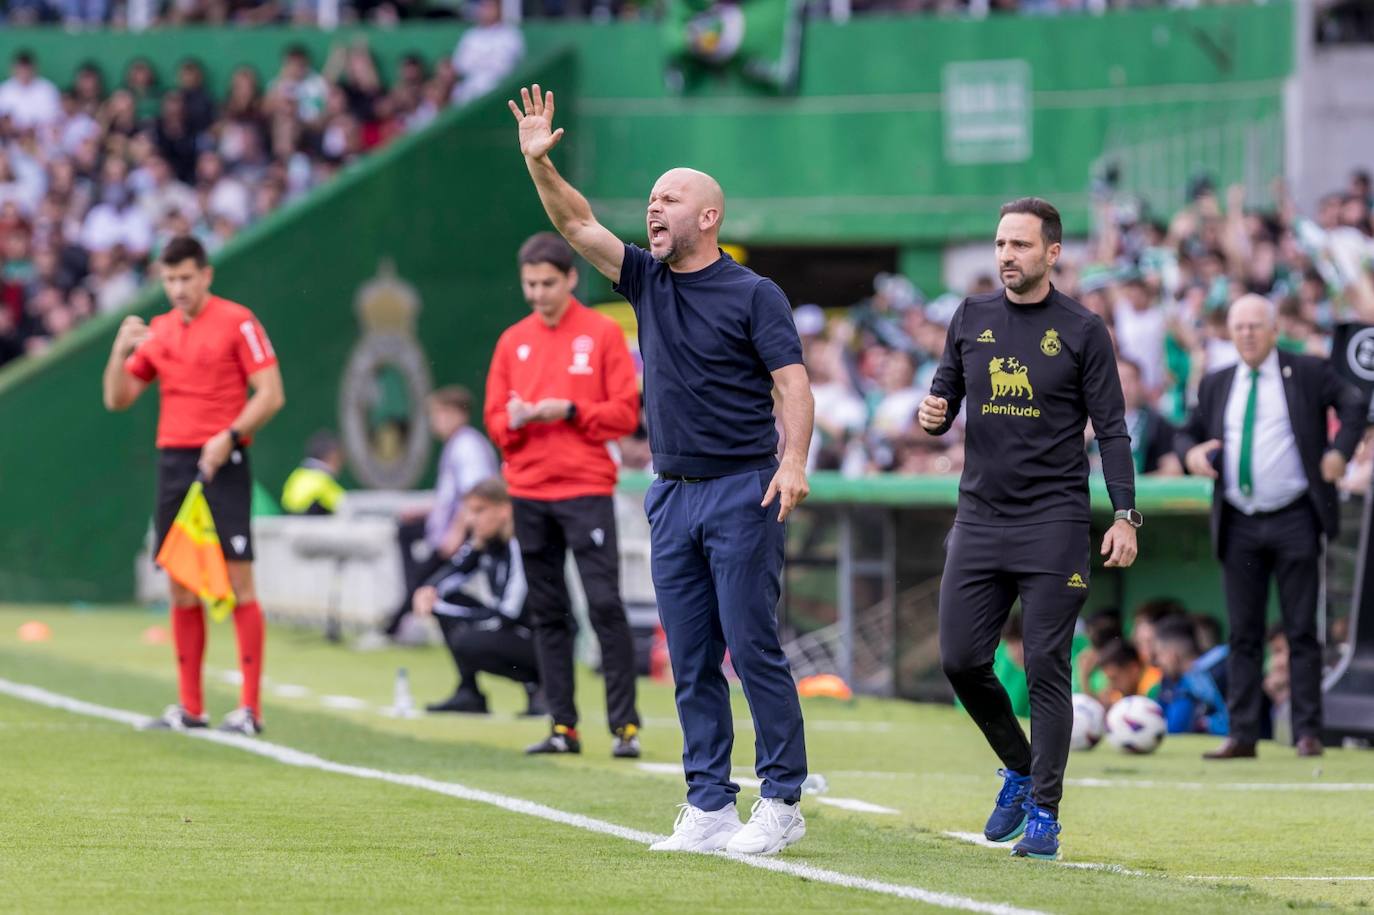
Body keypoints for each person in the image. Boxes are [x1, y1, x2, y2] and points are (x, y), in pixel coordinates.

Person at [509, 85, 814, 856]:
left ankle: (781, 798)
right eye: (650, 199)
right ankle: (708, 801)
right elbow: (576, 223)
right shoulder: (645, 280)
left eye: (670, 198)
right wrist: (540, 163)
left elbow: (793, 385)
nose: (654, 208)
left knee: (753, 648)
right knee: (688, 659)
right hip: (670, 492)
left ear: (707, 216)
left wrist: (795, 460)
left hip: (743, 486)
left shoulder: (755, 293)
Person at [918, 196, 1140, 861]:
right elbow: (942, 396)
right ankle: (1018, 766)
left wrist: (1125, 513)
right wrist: (932, 414)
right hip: (980, 517)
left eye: (1019, 244)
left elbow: (1114, 430)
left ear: (1053, 252)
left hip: (1055, 522)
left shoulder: (1082, 329)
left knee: (1046, 662)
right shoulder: (971, 316)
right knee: (959, 657)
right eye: (999, 244)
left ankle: (1045, 811)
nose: (1006, 255)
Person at [101, 235, 284, 736]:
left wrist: (230, 435)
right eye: (170, 279)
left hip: (224, 458)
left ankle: (249, 709)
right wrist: (119, 351)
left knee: (239, 580)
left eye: (186, 277)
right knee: (181, 585)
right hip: (174, 463)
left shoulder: (238, 320)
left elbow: (271, 394)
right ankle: (191, 707)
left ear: (206, 275)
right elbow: (118, 399)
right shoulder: (157, 331)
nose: (178, 288)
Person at [1177, 293, 1367, 759]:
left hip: (1294, 516)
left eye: (1255, 326)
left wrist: (1339, 452)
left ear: (1274, 329)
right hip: (1239, 519)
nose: (1246, 334)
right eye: (1238, 326)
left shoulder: (1306, 371)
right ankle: (1243, 733)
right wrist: (1191, 453)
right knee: (1243, 631)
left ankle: (1307, 731)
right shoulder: (1218, 381)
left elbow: (1355, 402)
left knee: (1301, 628)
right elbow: (1188, 430)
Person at [483, 231, 642, 758]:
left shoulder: (599, 334)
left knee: (603, 605)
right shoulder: (512, 340)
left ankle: (624, 727)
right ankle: (562, 726)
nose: (537, 293)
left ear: (570, 279)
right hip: (528, 491)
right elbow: (493, 420)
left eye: (547, 282)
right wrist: (513, 422)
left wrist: (569, 410)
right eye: (529, 283)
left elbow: (625, 413)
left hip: (586, 489)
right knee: (547, 613)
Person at [376, 386, 498, 644]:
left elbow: (476, 497)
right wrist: (423, 512)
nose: (434, 422)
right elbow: (451, 496)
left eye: (438, 414)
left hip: (462, 533)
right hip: (446, 530)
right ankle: (397, 626)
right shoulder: (456, 444)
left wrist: (455, 533)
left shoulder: (467, 446)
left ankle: (392, 630)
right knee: (423, 576)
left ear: (455, 414)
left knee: (430, 587)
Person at [412, 478, 543, 717]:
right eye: (469, 512)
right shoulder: (487, 543)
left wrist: (441, 609)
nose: (471, 520)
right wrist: (428, 591)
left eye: (479, 511)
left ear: (504, 510)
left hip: (540, 640)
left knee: (465, 639)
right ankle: (469, 693)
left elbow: (508, 615)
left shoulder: (522, 545)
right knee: (451, 600)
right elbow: (452, 572)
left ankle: (540, 687)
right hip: (511, 630)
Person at [1153, 616, 1228, 736]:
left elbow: (1239, 721)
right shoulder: (1184, 679)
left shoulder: (1221, 668)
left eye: (1159, 654)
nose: (1157, 662)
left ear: (1172, 654)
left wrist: (1205, 725)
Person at [281, 429, 346, 515]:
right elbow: (344, 504)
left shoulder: (296, 475)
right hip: (310, 522)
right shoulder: (321, 479)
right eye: (339, 458)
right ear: (332, 456)